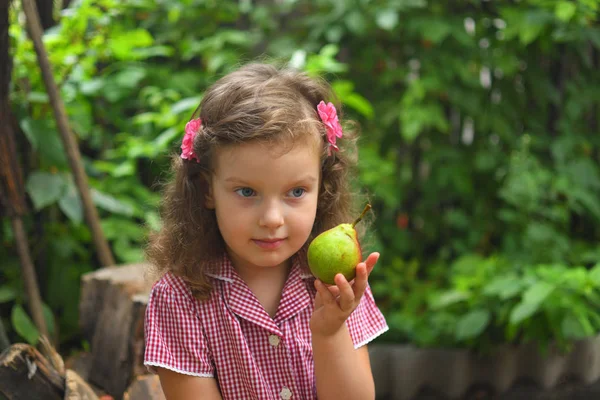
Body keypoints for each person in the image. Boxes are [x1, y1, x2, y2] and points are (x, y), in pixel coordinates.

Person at [143, 62, 388, 400]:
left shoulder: (337, 283)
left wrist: (330, 333)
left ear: (323, 188)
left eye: (296, 192)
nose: (272, 218)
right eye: (247, 192)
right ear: (207, 190)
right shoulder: (180, 300)